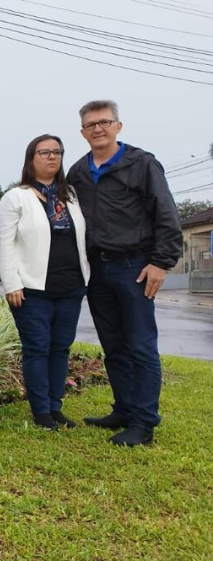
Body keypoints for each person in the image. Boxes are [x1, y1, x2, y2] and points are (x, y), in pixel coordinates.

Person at [66, 100, 182, 447]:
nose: (98, 129)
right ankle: (124, 409)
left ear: (118, 125)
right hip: (97, 269)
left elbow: (167, 214)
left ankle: (144, 424)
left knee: (141, 346)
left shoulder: (142, 164)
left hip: (135, 266)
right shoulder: (78, 172)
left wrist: (161, 263)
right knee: (113, 346)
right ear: (83, 132)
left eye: (104, 122)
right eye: (91, 125)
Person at [0, 135, 90, 430]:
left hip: (71, 286)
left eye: (57, 152)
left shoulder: (71, 196)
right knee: (37, 348)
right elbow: (3, 243)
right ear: (31, 158)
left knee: (60, 347)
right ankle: (41, 411)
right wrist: (11, 283)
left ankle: (55, 405)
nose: (52, 157)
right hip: (32, 289)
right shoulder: (16, 197)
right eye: (44, 152)